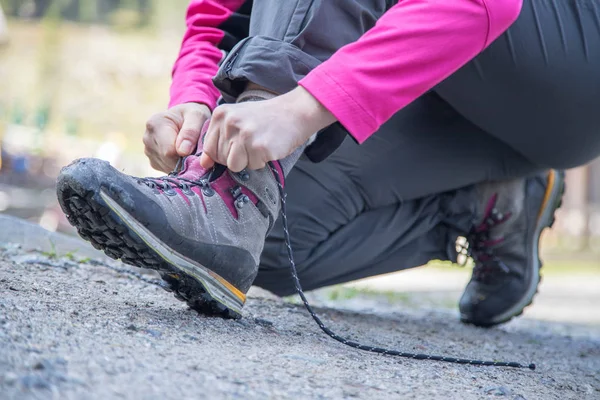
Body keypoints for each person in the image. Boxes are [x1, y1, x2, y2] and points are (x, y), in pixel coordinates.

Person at [57, 0, 599, 327]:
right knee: (267, 242)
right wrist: (195, 102)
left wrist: (301, 107)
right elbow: (218, 15)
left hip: (568, 65)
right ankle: (486, 206)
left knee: (246, 210)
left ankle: (236, 194)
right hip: (448, 94)